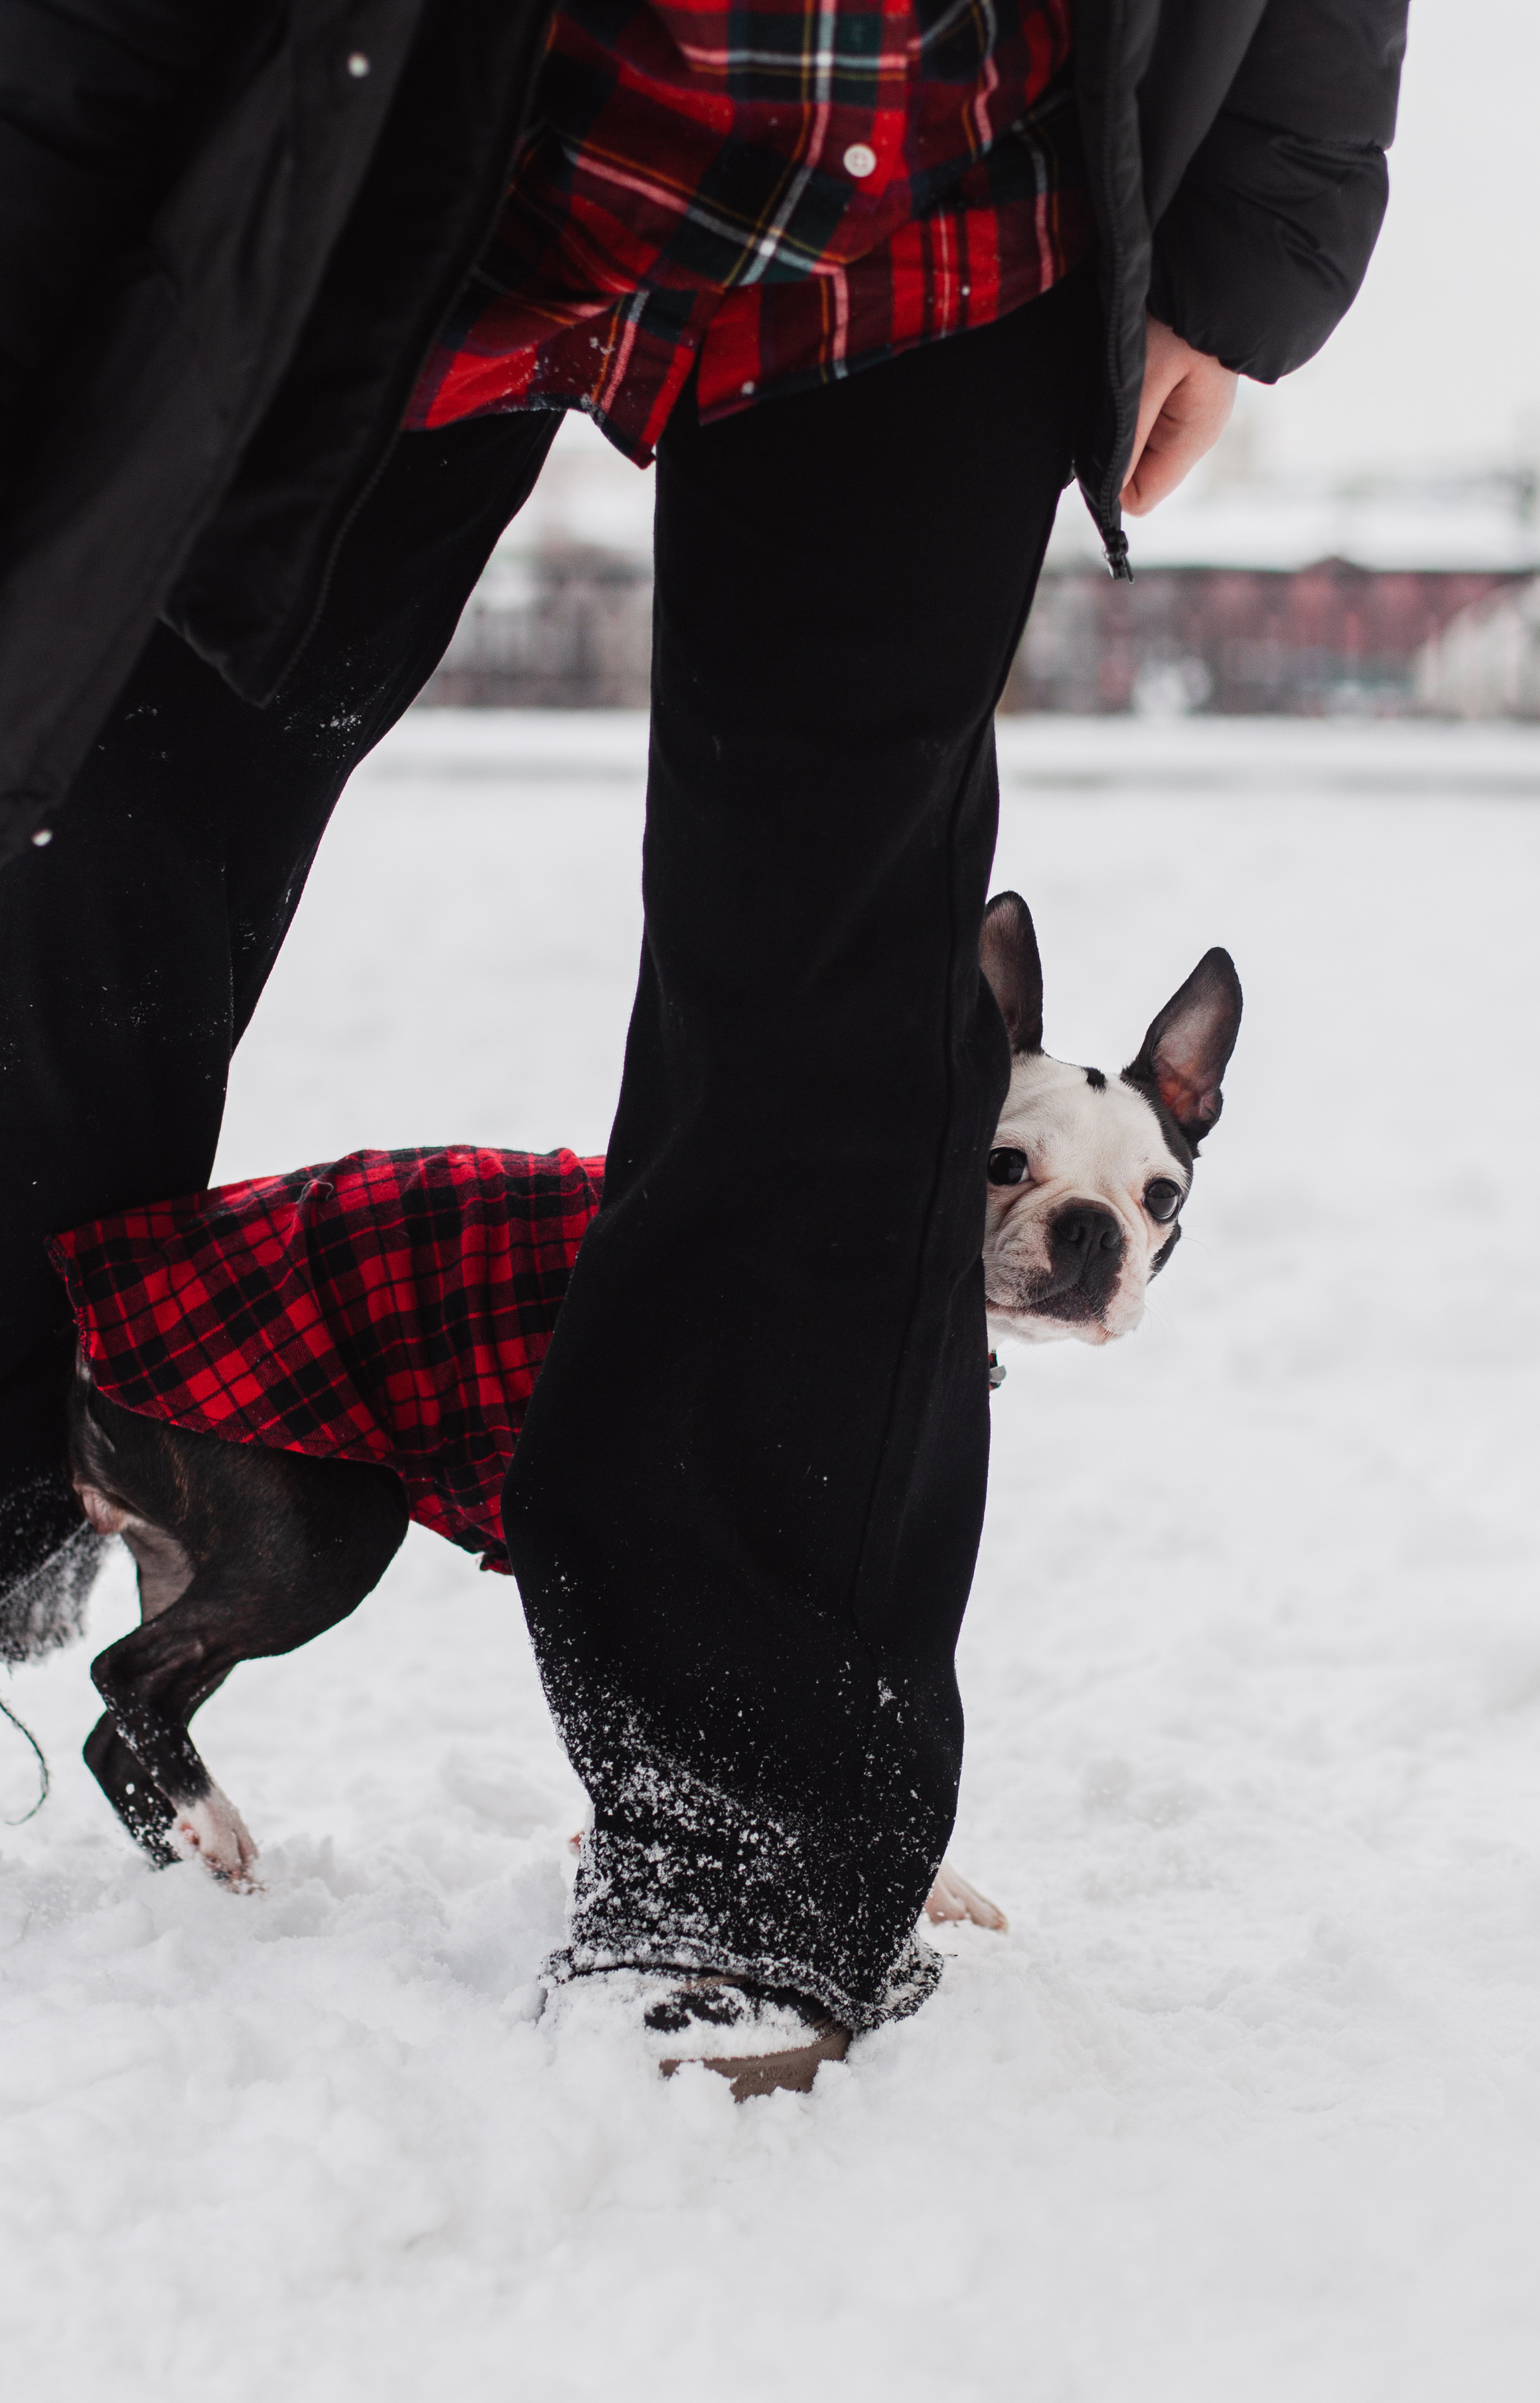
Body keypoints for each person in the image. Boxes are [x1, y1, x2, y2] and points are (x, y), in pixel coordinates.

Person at [0, 0, 1406, 2057]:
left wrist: (1249, 238)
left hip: (943, 165)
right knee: (93, 810)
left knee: (830, 984)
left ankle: (743, 1848)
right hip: (404, 100)